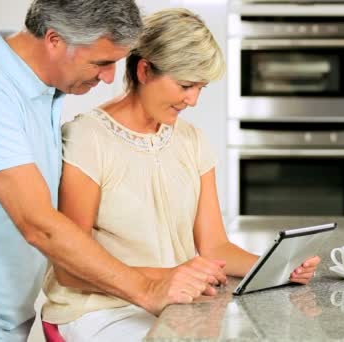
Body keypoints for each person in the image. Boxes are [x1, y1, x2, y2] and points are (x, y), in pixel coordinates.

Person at [40, 8, 321, 341]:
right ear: (144, 70)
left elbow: (215, 246)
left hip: (176, 303)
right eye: (186, 85)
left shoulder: (192, 141)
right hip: (101, 310)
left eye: (200, 87)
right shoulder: (88, 138)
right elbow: (70, 268)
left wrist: (276, 267)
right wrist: (166, 277)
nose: (193, 99)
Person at [0, 1, 221, 341]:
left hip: (8, 321)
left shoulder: (40, 90)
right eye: (101, 62)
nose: (111, 76)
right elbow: (40, 225)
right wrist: (148, 288)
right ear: (54, 40)